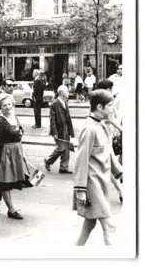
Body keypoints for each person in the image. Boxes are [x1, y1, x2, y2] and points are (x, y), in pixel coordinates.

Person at [73, 90, 122, 246]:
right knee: (109, 226)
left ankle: (74, 253)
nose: (112, 109)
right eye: (110, 106)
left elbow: (108, 152)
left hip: (102, 182)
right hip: (91, 184)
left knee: (89, 225)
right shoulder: (89, 128)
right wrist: (80, 189)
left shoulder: (101, 125)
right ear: (99, 106)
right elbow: (81, 160)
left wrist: (119, 171)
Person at [0, 94, 33, 220]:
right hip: (6, 153)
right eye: (4, 105)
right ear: (0, 107)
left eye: (9, 104)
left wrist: (23, 153)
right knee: (5, 182)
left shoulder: (15, 118)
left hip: (16, 152)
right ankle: (11, 209)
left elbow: (19, 136)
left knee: (12, 181)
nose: (7, 107)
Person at [44, 85, 75, 174]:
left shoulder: (65, 102)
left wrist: (70, 130)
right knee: (62, 147)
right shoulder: (55, 103)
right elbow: (52, 119)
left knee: (66, 147)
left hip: (65, 128)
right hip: (58, 129)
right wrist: (54, 131)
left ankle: (63, 167)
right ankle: (48, 161)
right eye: (67, 92)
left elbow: (68, 117)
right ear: (62, 93)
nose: (68, 93)